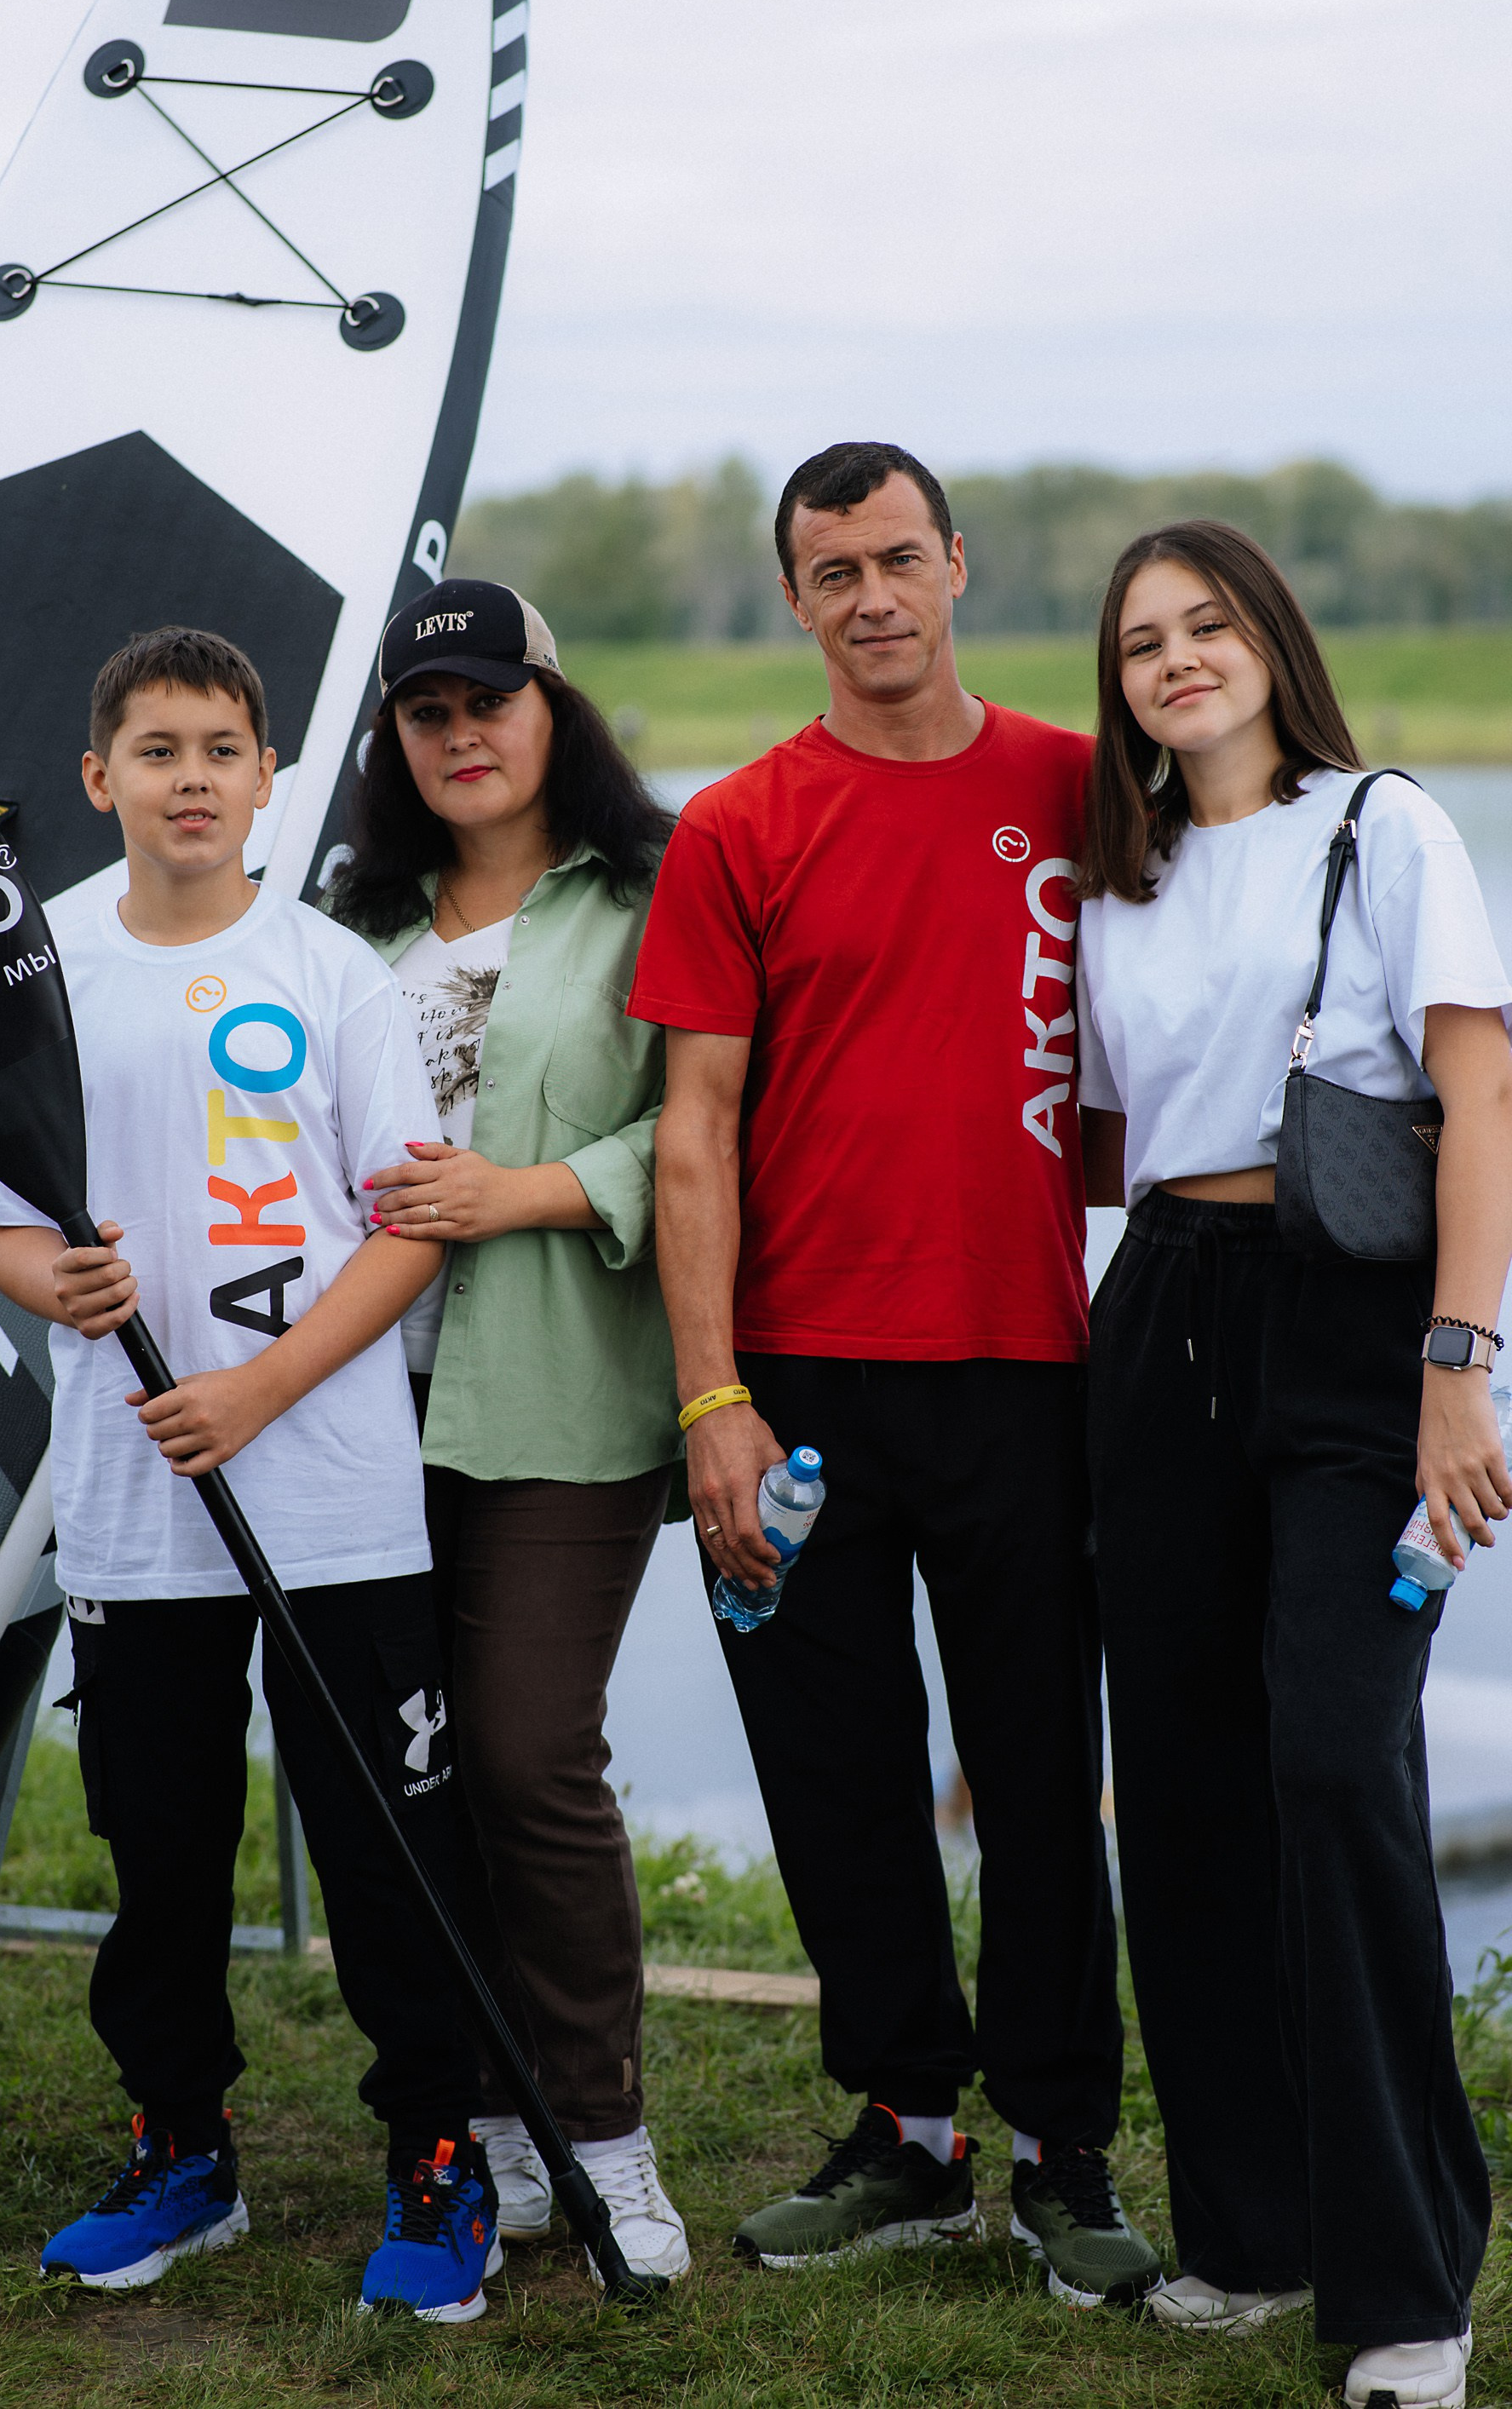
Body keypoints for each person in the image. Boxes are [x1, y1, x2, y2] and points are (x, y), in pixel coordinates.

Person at [630, 442, 1159, 2303]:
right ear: (795, 599)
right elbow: (693, 1134)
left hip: (1027, 1369)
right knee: (837, 1775)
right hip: (795, 1390)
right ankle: (909, 2133)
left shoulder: (1084, 792)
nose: (872, 596)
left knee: (1038, 1775)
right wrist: (712, 1399)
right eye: (833, 570)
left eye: (898, 558)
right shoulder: (737, 826)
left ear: (957, 566)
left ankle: (1064, 2150)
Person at [0, 625, 504, 2323]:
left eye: (221, 749)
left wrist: (263, 1388)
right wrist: (48, 1280)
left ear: (270, 777)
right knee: (163, 1854)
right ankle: (182, 2148)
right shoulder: (43, 970)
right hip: (136, 1504)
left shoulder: (333, 972)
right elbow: (4, 1225)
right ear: (99, 777)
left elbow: (409, 1230)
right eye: (158, 749)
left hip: (333, 1496)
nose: (191, 778)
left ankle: (439, 2156)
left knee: (388, 1854)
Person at [1075, 521, 1512, 2409]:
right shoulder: (1121, 881)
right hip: (1163, 1311)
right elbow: (1112, 1138)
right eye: (1141, 642)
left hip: (1354, 1325)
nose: (1177, 659)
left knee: (1335, 1762)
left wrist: (1458, 1367)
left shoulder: (1384, 826)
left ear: (1269, 639)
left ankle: (1408, 2282)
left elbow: (1480, 1091)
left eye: (1208, 624)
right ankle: (1246, 2233)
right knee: (1180, 1787)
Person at [323, 578, 690, 2285]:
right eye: (427, 711)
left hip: (562, 1392)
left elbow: (712, 1129)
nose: (462, 733)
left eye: (491, 699)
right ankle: (489, 2123)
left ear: (555, 707)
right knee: (420, 1767)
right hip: (356, 1402)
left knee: (532, 1753)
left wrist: (520, 1192)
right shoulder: (343, 922)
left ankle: (603, 2131)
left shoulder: (652, 894)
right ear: (394, 740)